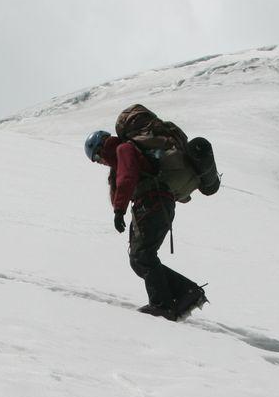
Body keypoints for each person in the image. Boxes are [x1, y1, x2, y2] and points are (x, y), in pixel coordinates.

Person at [85, 128, 206, 320]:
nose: (101, 162)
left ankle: (164, 304)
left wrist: (119, 210)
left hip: (151, 203)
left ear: (101, 147)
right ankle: (185, 294)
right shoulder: (126, 151)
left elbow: (127, 177)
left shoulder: (123, 149)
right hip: (156, 203)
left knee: (142, 256)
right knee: (140, 257)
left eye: (97, 158)